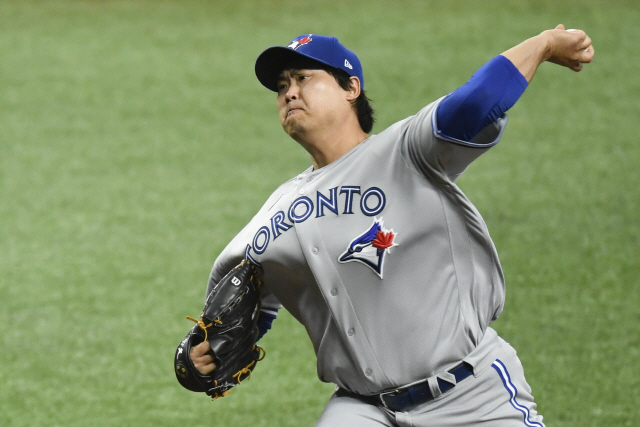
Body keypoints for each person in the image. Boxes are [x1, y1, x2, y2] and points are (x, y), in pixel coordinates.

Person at [189, 25, 594, 426]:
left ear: (351, 88)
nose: (289, 92)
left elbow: (476, 104)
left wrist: (543, 44)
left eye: (304, 79)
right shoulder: (275, 212)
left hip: (471, 396)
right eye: (282, 86)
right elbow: (242, 305)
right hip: (363, 409)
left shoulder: (406, 151)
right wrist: (204, 353)